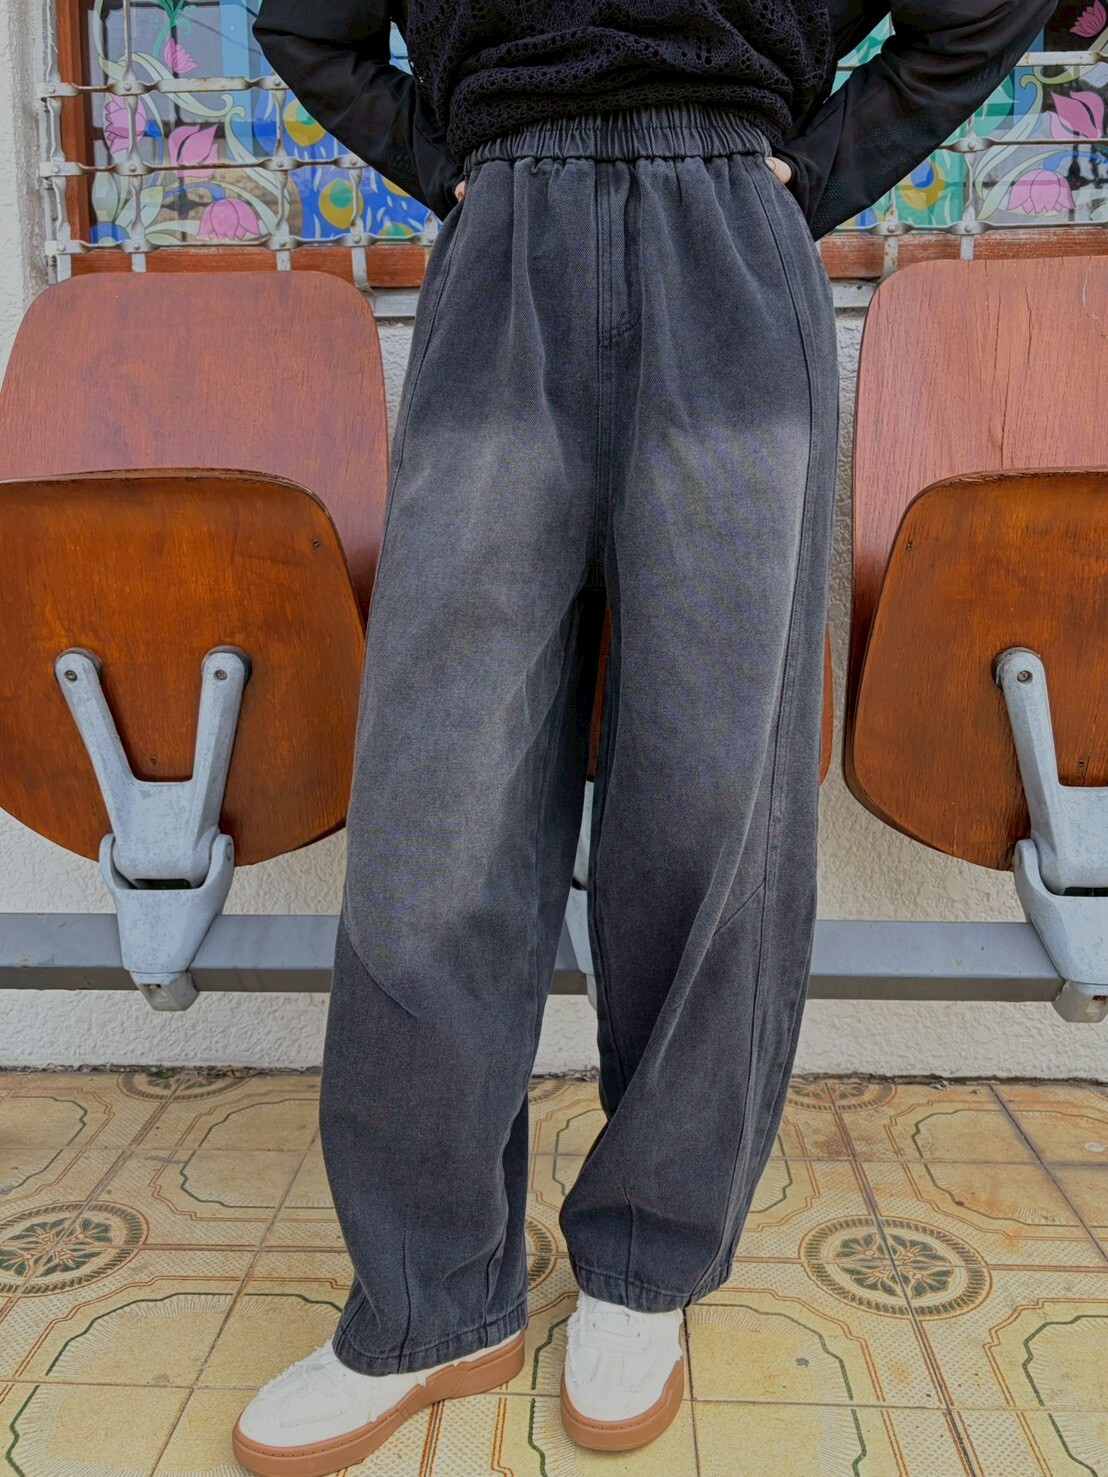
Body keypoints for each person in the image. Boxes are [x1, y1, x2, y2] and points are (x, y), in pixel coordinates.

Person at [234, 2, 1056, 1473]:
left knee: (711, 799)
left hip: (728, 241)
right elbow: (308, 21)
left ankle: (645, 1261)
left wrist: (823, 161)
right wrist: (447, 154)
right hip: (507, 248)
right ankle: (430, 1298)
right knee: (433, 808)